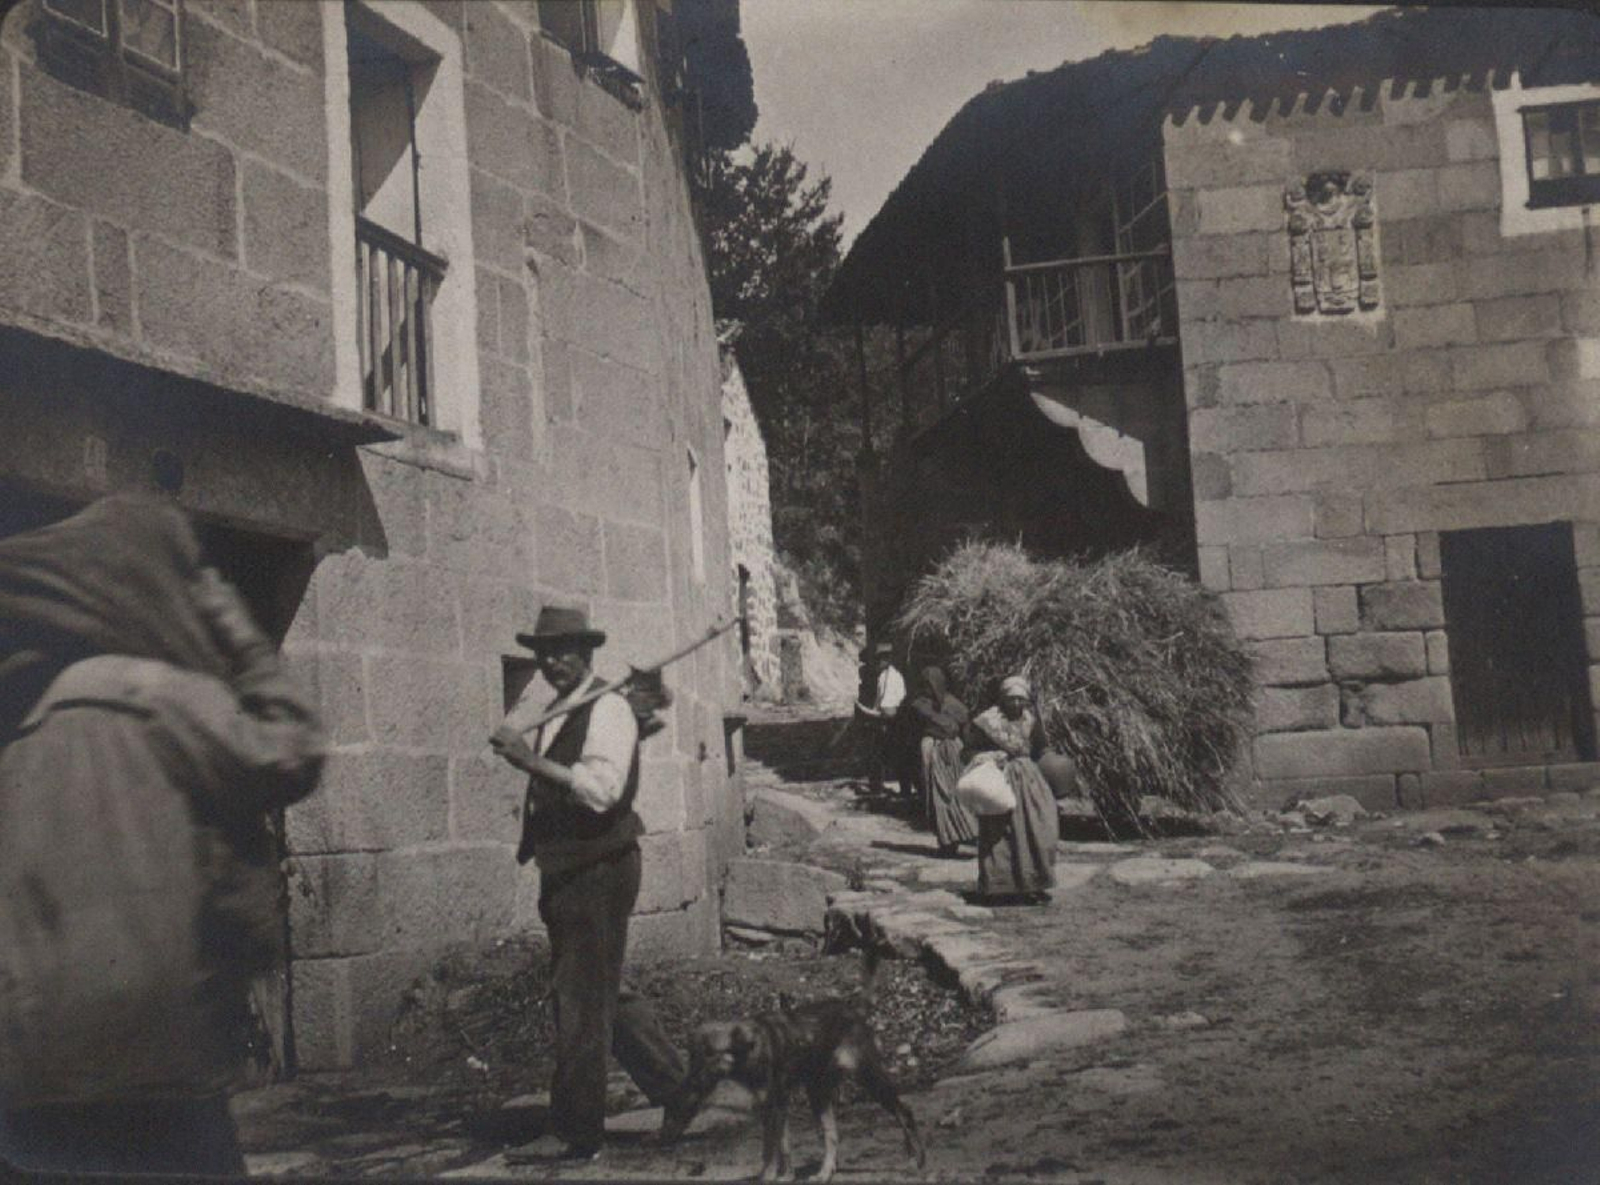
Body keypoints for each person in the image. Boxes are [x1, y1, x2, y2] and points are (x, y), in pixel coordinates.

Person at [0, 493, 325, 1176]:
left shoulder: (24, 727)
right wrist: (234, 625)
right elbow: (292, 749)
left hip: (30, 1085)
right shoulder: (152, 694)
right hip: (152, 1065)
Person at [490, 606, 687, 1162]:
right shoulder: (562, 706)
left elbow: (602, 791)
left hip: (598, 867)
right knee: (601, 989)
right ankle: (679, 1087)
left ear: (587, 652)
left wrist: (530, 763)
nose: (552, 662)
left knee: (579, 997)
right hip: (570, 867)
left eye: (564, 651)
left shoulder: (608, 708)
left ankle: (576, 1130)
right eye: (543, 653)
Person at [965, 675, 1059, 903]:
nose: (1016, 704)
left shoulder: (1031, 720)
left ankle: (1034, 883)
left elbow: (1041, 748)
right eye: (1011, 699)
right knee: (999, 833)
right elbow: (967, 751)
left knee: (1038, 828)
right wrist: (989, 756)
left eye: (1020, 699)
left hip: (1029, 783)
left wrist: (1050, 761)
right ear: (1002, 698)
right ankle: (999, 887)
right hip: (999, 781)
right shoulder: (987, 722)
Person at [906, 666, 978, 857]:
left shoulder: (954, 705)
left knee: (954, 795)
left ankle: (961, 834)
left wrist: (966, 752)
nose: (927, 690)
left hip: (953, 754)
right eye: (925, 685)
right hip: (932, 753)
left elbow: (966, 729)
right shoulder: (919, 705)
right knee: (938, 795)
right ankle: (946, 841)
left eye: (930, 685)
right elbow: (912, 733)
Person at [855, 640, 911, 798]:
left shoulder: (893, 677)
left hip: (892, 720)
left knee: (891, 756)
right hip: (885, 719)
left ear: (887, 659)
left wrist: (868, 712)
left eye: (882, 659)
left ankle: (899, 791)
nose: (879, 662)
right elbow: (878, 704)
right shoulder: (883, 677)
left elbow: (889, 708)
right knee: (882, 756)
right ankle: (879, 789)